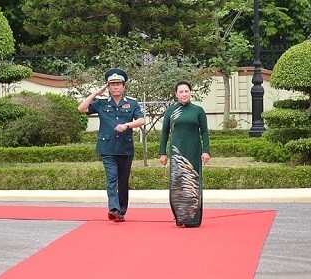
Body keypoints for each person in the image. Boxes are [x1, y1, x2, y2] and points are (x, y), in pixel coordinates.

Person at [78, 68, 146, 222]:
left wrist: (127, 125)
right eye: (112, 84)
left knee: (123, 181)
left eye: (118, 84)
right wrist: (95, 93)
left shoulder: (132, 103)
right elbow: (81, 109)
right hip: (107, 148)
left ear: (124, 86)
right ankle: (113, 209)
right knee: (111, 178)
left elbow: (142, 120)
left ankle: (121, 211)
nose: (115, 87)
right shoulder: (101, 104)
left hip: (125, 148)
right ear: (107, 87)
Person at [159, 80, 211, 228]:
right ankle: (180, 217)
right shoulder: (170, 111)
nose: (184, 94)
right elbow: (164, 133)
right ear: (176, 94)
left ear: (190, 93)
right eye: (181, 92)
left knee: (192, 183)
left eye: (186, 91)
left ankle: (193, 219)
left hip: (194, 151)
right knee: (178, 184)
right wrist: (162, 153)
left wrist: (206, 151)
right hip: (177, 153)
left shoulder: (198, 110)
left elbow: (205, 132)